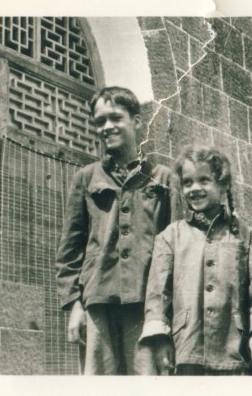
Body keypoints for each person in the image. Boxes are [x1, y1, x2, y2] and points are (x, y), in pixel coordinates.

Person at [55, 86, 180, 375]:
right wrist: (74, 304)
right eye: (100, 121)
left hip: (146, 306)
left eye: (115, 118)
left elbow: (176, 249)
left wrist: (166, 314)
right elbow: (70, 250)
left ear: (136, 121)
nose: (107, 127)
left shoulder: (162, 178)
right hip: (98, 303)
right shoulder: (86, 178)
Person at [139, 146, 252, 376]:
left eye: (204, 180)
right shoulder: (170, 236)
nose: (195, 188)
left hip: (235, 350)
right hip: (186, 348)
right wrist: (161, 341)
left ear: (222, 185)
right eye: (188, 182)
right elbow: (157, 297)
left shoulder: (246, 235)